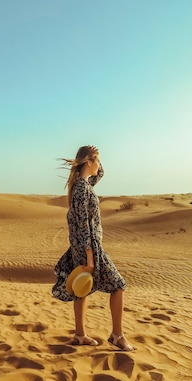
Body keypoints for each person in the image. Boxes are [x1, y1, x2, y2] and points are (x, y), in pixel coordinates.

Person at [52, 145, 134, 351]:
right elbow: (83, 224)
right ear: (88, 162)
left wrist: (93, 156)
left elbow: (100, 173)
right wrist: (90, 256)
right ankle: (117, 335)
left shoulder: (83, 185)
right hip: (89, 247)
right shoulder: (81, 189)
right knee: (118, 285)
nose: (99, 165)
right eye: (96, 160)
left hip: (80, 246)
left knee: (82, 290)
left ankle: (80, 335)